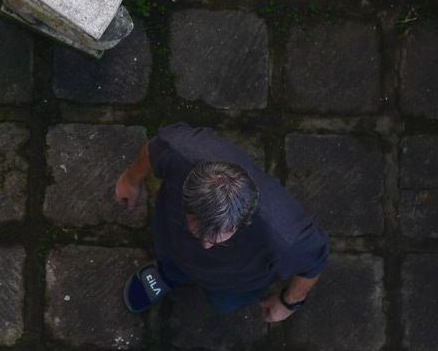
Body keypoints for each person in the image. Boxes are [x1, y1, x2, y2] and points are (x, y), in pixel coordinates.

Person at [114, 123, 328, 322]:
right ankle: (167, 274)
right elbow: (155, 149)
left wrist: (289, 302)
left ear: (245, 217)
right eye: (200, 227)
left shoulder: (287, 237)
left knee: (223, 303)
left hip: (233, 283)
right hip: (172, 241)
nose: (206, 244)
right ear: (188, 198)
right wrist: (130, 179)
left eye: (221, 232)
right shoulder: (181, 150)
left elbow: (313, 263)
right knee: (170, 259)